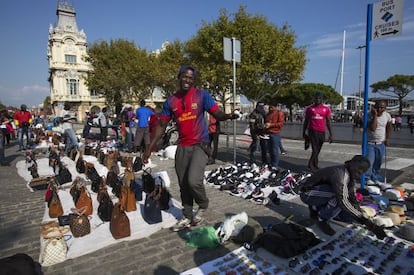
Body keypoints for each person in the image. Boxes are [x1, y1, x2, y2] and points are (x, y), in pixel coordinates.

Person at [142, 65, 239, 231]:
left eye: (190, 78)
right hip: (182, 146)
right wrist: (149, 148)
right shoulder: (171, 101)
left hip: (200, 144)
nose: (187, 80)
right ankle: (187, 216)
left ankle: (203, 203)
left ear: (193, 80)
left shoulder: (202, 95)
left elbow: (217, 114)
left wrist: (229, 115)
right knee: (183, 184)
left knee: (193, 180)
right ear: (179, 77)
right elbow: (161, 125)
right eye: (184, 77)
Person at [299, 155, 387, 239]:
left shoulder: (350, 175)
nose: (359, 174)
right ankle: (321, 218)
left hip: (321, 193)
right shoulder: (340, 175)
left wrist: (362, 217)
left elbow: (353, 198)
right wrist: (368, 224)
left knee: (349, 212)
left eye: (362, 172)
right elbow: (343, 201)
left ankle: (317, 209)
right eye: (358, 170)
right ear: (352, 163)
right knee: (340, 198)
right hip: (307, 193)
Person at [302, 92, 333, 172]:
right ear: (314, 99)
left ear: (322, 99)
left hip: (322, 131)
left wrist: (331, 134)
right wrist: (304, 132)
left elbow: (328, 121)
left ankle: (315, 164)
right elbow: (306, 121)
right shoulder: (310, 109)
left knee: (318, 149)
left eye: (319, 98)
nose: (318, 100)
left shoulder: (326, 109)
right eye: (316, 98)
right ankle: (311, 165)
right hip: (312, 131)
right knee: (315, 149)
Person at [365, 100, 392, 186]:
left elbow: (389, 127)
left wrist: (387, 138)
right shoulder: (369, 115)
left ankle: (375, 177)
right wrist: (375, 115)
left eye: (382, 107)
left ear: (385, 108)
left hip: (381, 143)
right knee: (369, 162)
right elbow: (373, 128)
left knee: (378, 162)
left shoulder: (387, 116)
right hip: (370, 143)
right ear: (374, 107)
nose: (379, 109)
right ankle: (367, 178)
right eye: (377, 107)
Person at [264, 103, 285, 169]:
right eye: (269, 106)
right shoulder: (268, 114)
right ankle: (272, 163)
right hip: (268, 133)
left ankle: (275, 164)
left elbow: (281, 123)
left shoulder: (279, 113)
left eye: (272, 106)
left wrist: (271, 125)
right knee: (270, 150)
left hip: (275, 133)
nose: (270, 108)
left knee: (274, 150)